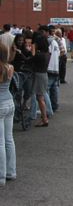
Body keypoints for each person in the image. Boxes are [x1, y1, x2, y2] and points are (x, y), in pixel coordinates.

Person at [0, 43, 16, 186]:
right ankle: (11, 171)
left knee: (0, 142)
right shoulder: (10, 67)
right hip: (9, 102)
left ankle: (1, 176)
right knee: (9, 139)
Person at [31, 34, 51, 127]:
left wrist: (33, 49)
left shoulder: (39, 55)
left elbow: (30, 59)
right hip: (44, 75)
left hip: (39, 75)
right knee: (41, 97)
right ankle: (44, 117)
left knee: (40, 98)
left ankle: (44, 118)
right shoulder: (47, 53)